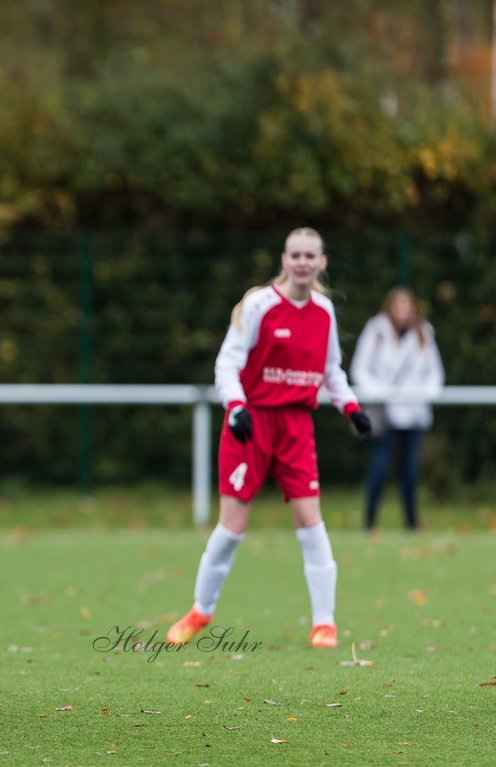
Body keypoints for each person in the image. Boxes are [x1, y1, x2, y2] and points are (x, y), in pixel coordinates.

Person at [166, 228, 373, 650]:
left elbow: (332, 369)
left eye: (309, 255)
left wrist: (350, 406)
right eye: (295, 254)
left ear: (322, 262)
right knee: (232, 526)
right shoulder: (259, 305)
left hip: (296, 427)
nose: (302, 262)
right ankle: (200, 612)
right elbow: (228, 362)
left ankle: (324, 625)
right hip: (252, 423)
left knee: (311, 523)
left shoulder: (324, 311)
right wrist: (237, 406)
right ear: (283, 259)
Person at [350, 288, 445, 531]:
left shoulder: (424, 332)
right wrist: (380, 392)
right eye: (398, 306)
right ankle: (369, 521)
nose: (403, 312)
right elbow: (359, 369)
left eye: (407, 306)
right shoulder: (376, 331)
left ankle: (411, 523)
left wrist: (421, 393)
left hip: (414, 414)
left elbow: (435, 374)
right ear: (390, 307)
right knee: (379, 468)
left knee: (410, 472)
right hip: (385, 413)